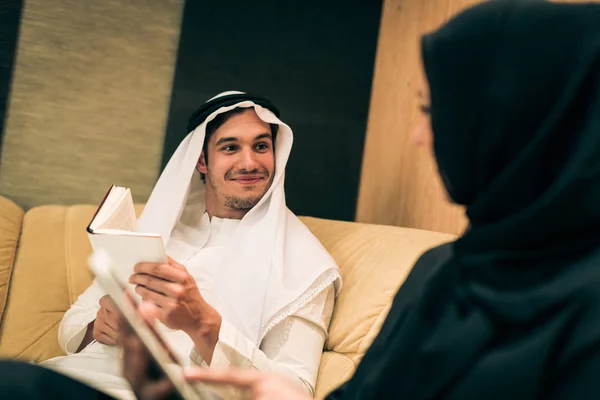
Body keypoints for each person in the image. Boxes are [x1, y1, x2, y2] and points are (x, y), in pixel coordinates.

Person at [119, 0, 600, 399]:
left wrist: (211, 331)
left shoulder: (587, 311)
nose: (417, 136)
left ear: (524, 126)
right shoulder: (442, 270)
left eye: (435, 112)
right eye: (230, 147)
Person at [35, 91, 342, 400]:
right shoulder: (162, 227)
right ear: (201, 160)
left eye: (261, 146)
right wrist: (97, 326)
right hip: (74, 376)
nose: (249, 162)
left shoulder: (305, 264)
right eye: (231, 147)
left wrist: (203, 324)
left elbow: (293, 392)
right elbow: (73, 322)